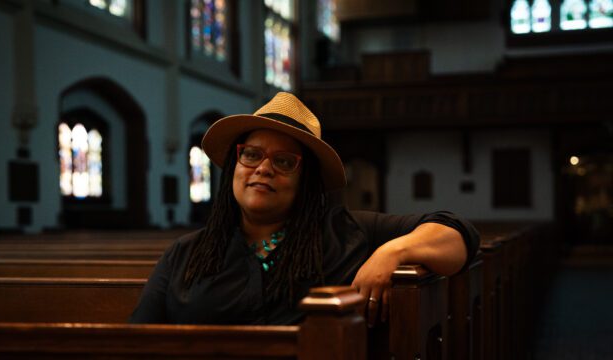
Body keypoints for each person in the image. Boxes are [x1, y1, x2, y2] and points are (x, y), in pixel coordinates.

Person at [130, 92, 479, 327]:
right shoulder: (185, 254)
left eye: (284, 161)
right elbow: (136, 342)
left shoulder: (346, 234)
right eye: (251, 154)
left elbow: (457, 233)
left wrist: (393, 251)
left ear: (305, 179)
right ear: (234, 166)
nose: (263, 168)